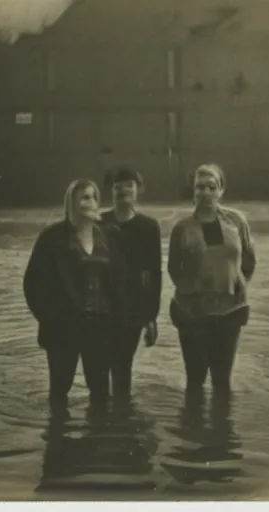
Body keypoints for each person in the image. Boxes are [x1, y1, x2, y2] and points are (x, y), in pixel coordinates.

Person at [23, 179, 126, 414]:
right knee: (59, 392)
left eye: (93, 197)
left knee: (100, 392)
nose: (90, 202)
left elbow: (119, 281)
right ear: (71, 202)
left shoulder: (109, 236)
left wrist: (119, 318)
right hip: (64, 328)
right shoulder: (52, 237)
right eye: (84, 197)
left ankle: (97, 440)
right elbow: (32, 285)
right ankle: (59, 442)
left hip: (100, 325)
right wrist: (50, 319)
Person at [167, 163, 256, 400]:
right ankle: (192, 431)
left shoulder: (236, 222)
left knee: (222, 382)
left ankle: (222, 433)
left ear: (221, 190)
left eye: (211, 186)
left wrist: (233, 282)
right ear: (193, 191)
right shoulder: (182, 227)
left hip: (230, 310)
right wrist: (197, 288)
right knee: (195, 381)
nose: (205, 192)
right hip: (191, 312)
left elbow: (248, 260)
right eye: (199, 187)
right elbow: (174, 268)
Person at [101, 166, 162, 404]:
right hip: (102, 306)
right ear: (110, 192)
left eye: (128, 187)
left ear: (138, 191)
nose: (122, 192)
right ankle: (102, 421)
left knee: (123, 367)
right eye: (117, 187)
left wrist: (151, 317)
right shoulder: (100, 223)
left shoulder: (148, 227)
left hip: (132, 308)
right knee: (99, 368)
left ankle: (121, 420)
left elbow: (154, 274)